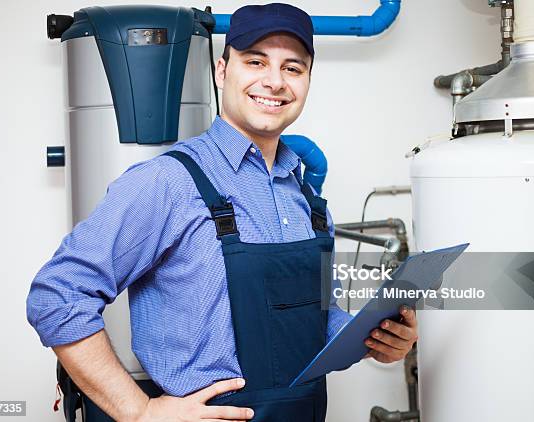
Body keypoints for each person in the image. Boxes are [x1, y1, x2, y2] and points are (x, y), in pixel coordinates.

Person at [26, 3, 418, 421]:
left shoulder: (305, 197)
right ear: (221, 71)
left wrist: (377, 340)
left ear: (306, 81)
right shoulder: (169, 182)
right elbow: (57, 294)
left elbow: (315, 320)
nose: (274, 81)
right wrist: (138, 411)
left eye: (293, 68)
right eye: (255, 61)